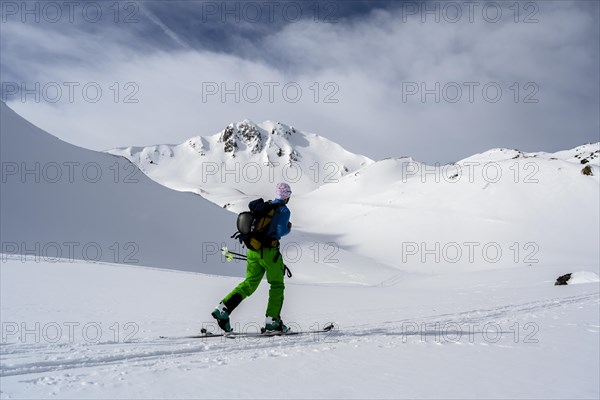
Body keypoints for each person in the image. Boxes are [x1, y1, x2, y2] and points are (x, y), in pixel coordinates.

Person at [212, 182, 293, 333]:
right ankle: (272, 321)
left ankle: (223, 309)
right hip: (270, 252)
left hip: (253, 249)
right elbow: (281, 231)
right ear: (287, 196)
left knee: (249, 283)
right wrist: (288, 228)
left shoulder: (266, 206)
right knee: (276, 285)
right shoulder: (283, 210)